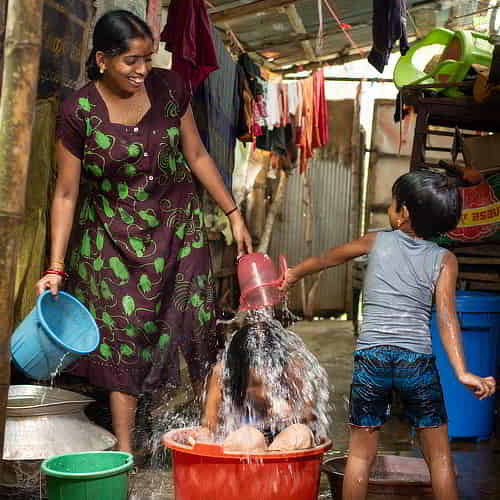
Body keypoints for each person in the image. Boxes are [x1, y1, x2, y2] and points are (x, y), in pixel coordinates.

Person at [35, 10, 252, 454]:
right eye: (131, 61)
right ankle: (125, 450)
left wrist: (233, 212)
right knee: (124, 336)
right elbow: (65, 193)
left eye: (148, 59)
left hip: (178, 230)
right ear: (101, 59)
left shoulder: (172, 89)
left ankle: (203, 437)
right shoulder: (79, 111)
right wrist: (56, 266)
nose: (142, 71)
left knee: (196, 326)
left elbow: (197, 155)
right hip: (111, 241)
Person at [281, 170, 496, 500]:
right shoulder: (445, 259)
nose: (390, 210)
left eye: (394, 204)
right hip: (417, 363)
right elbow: (447, 319)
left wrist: (294, 274)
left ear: (404, 212)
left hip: (373, 359)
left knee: (360, 455)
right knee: (439, 458)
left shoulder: (375, 240)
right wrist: (462, 372)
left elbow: (328, 258)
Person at [201, 320, 327, 451]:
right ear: (239, 378)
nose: (265, 392)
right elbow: (210, 427)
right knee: (248, 439)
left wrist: (294, 414)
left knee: (301, 434)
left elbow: (312, 419)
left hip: (285, 446)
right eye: (255, 384)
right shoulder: (223, 374)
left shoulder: (292, 370)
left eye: (272, 382)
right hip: (243, 450)